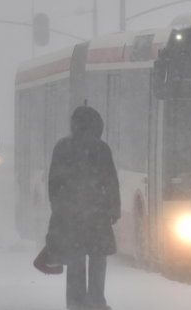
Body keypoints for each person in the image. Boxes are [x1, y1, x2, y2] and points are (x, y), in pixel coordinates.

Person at [46, 105, 120, 310]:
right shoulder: (101, 148)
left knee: (75, 260)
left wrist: (58, 208)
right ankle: (96, 301)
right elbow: (111, 181)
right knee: (98, 260)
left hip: (70, 215)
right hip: (97, 215)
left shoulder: (62, 147)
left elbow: (54, 182)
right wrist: (114, 208)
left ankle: (76, 302)